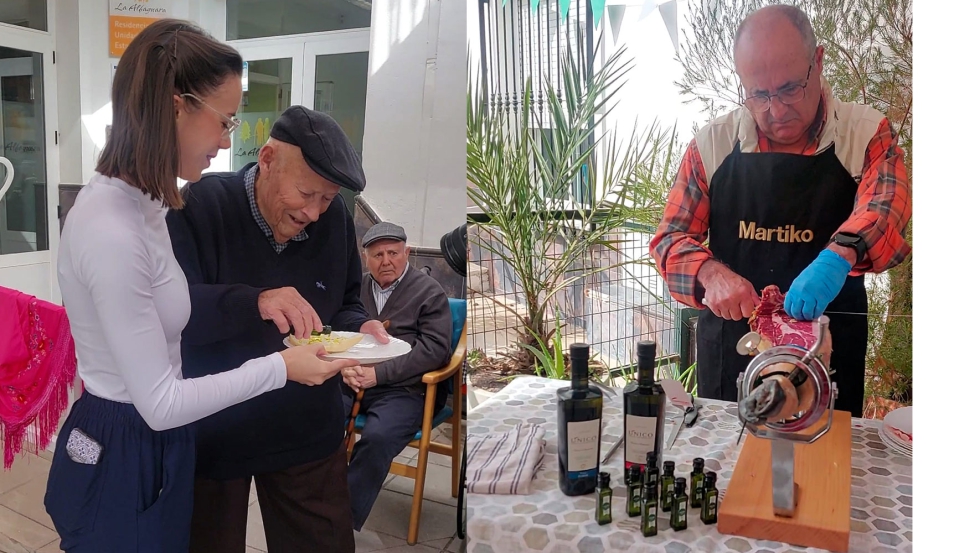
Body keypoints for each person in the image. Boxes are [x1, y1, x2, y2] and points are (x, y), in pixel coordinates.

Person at [42, 19, 356, 553]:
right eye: (225, 121)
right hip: (131, 440)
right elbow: (160, 402)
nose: (227, 140)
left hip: (169, 438)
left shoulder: (153, 207)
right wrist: (280, 364)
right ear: (174, 106)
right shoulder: (112, 226)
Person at [650, 4, 911, 418]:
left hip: (827, 351)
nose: (776, 109)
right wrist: (709, 273)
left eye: (790, 89)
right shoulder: (712, 145)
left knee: (822, 472)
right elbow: (670, 239)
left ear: (818, 62)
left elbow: (887, 205)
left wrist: (839, 255)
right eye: (759, 94)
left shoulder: (864, 134)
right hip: (735, 355)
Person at [165, 105, 389, 553]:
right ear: (266, 160)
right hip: (218, 427)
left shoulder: (336, 221)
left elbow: (342, 304)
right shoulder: (200, 205)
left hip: (306, 426)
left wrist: (359, 327)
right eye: (306, 193)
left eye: (327, 199)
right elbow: (173, 315)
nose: (315, 213)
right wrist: (257, 300)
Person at [343, 222, 453, 531]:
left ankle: (340, 521)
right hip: (351, 379)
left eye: (393, 252)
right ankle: (313, 500)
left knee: (377, 438)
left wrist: (378, 375)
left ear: (407, 253)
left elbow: (434, 351)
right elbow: (337, 334)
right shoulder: (357, 289)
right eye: (377, 254)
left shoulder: (428, 291)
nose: (385, 261)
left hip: (405, 388)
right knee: (316, 418)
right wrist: (345, 368)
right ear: (366, 258)